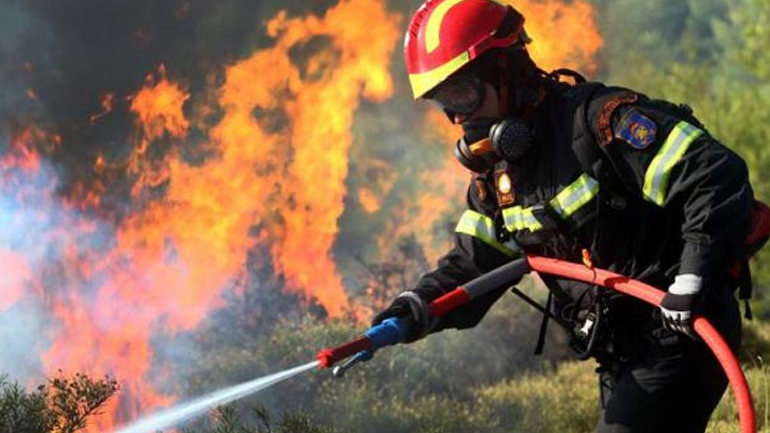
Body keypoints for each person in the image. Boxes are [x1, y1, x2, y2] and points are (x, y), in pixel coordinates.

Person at [372, 1, 768, 432]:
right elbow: (475, 262)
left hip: (683, 330)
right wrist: (413, 310)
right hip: (621, 353)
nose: (458, 117)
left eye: (464, 93)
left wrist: (692, 278)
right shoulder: (499, 178)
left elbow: (712, 175)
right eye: (444, 101)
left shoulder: (599, 123)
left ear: (506, 68)